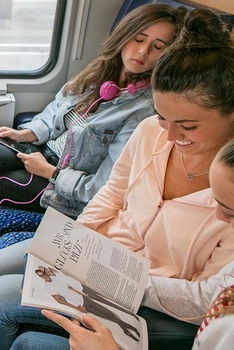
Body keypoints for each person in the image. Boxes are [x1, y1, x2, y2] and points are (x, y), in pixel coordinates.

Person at [0, 7, 234, 350]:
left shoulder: (229, 187)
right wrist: (76, 243)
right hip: (101, 251)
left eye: (187, 126)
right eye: (162, 118)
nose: (169, 135)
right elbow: (111, 194)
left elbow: (205, 300)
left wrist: (108, 278)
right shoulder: (149, 131)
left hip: (153, 292)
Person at [0, 3, 185, 286]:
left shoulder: (143, 110)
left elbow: (101, 189)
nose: (143, 52)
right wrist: (28, 134)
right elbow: (55, 113)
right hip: (42, 154)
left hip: (62, 185)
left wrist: (50, 172)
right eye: (139, 39)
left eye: (158, 47)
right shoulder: (99, 74)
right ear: (125, 36)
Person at [37, 137, 234, 350]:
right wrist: (116, 278)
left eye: (230, 211)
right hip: (113, 263)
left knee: (10, 315)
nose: (220, 216)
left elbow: (202, 302)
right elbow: (208, 293)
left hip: (140, 298)